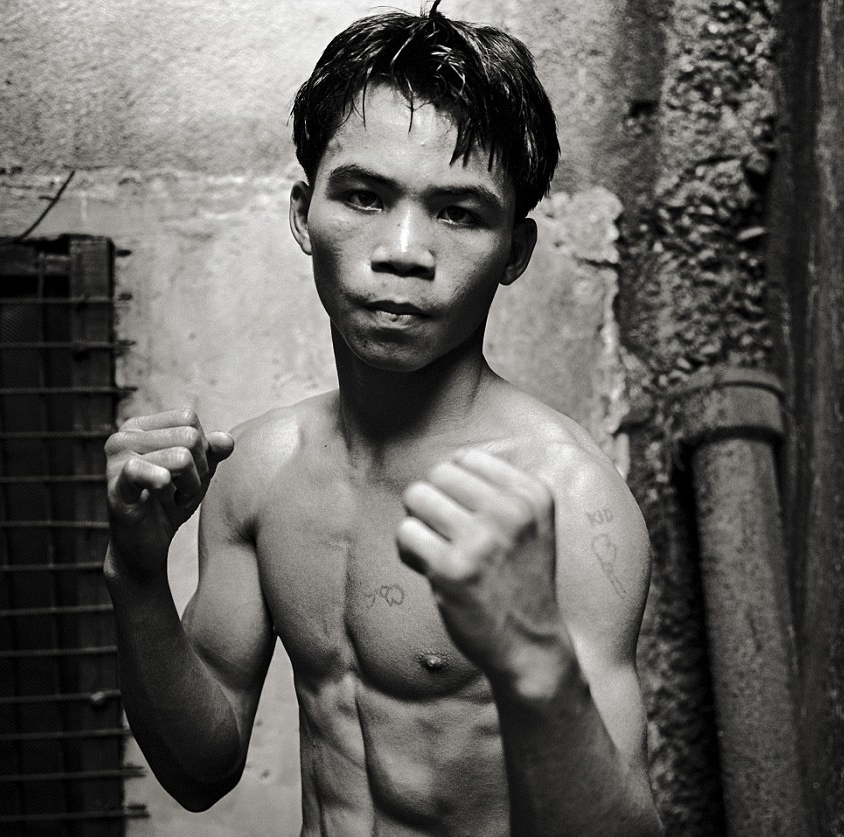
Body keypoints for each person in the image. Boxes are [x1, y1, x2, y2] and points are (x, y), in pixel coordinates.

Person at [103, 5, 662, 836]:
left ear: (514, 251)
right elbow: (199, 771)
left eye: (459, 212)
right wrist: (138, 572)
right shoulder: (260, 467)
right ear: (304, 213)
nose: (403, 249)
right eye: (364, 197)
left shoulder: (567, 502)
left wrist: (532, 652)